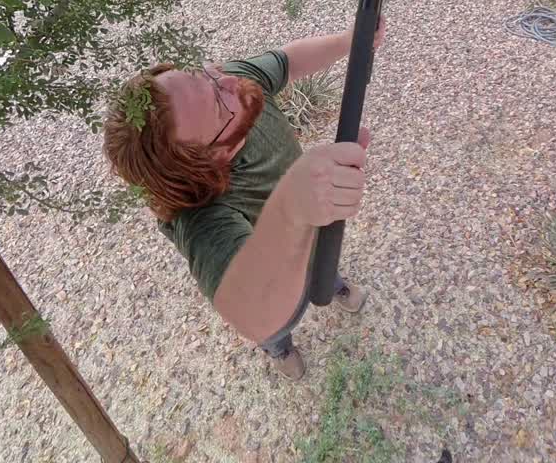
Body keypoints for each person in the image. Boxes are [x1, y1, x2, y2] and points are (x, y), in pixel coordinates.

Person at [101, 22, 384, 380]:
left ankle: (331, 283)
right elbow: (253, 311)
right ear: (207, 159)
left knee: (320, 260)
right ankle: (281, 349)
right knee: (274, 330)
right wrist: (291, 208)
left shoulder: (231, 84)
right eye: (220, 107)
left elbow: (288, 61)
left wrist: (350, 41)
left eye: (202, 73)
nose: (230, 82)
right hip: (272, 260)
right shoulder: (199, 216)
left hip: (312, 232)